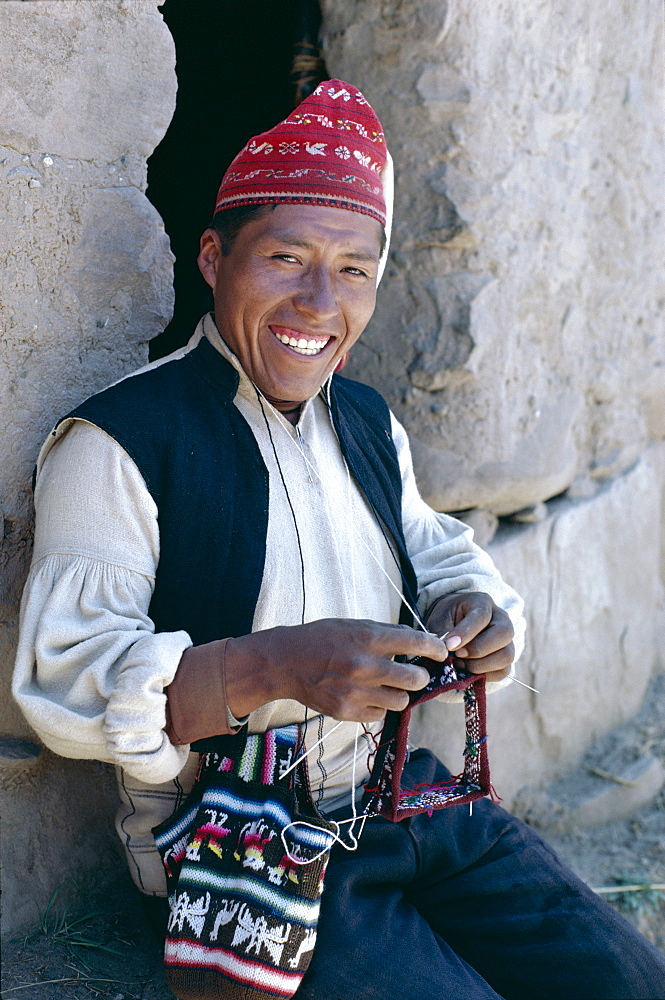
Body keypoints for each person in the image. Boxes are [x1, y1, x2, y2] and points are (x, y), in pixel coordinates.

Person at [13, 80, 665, 999]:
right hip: (247, 841)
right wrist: (274, 669)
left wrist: (474, 612)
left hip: (409, 797)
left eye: (354, 269)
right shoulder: (122, 441)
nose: (320, 301)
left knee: (626, 979)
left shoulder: (362, 421)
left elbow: (435, 550)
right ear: (212, 257)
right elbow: (65, 673)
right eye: (285, 256)